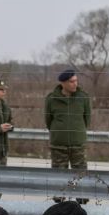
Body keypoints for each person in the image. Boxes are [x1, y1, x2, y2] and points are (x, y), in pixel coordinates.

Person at [45, 69, 91, 204]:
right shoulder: (52, 98)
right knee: (59, 172)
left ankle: (81, 198)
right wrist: (60, 132)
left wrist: (77, 132)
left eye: (76, 81)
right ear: (63, 83)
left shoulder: (83, 97)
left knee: (80, 171)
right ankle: (59, 198)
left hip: (78, 143)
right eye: (71, 82)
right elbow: (48, 120)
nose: (75, 84)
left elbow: (87, 119)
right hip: (58, 143)